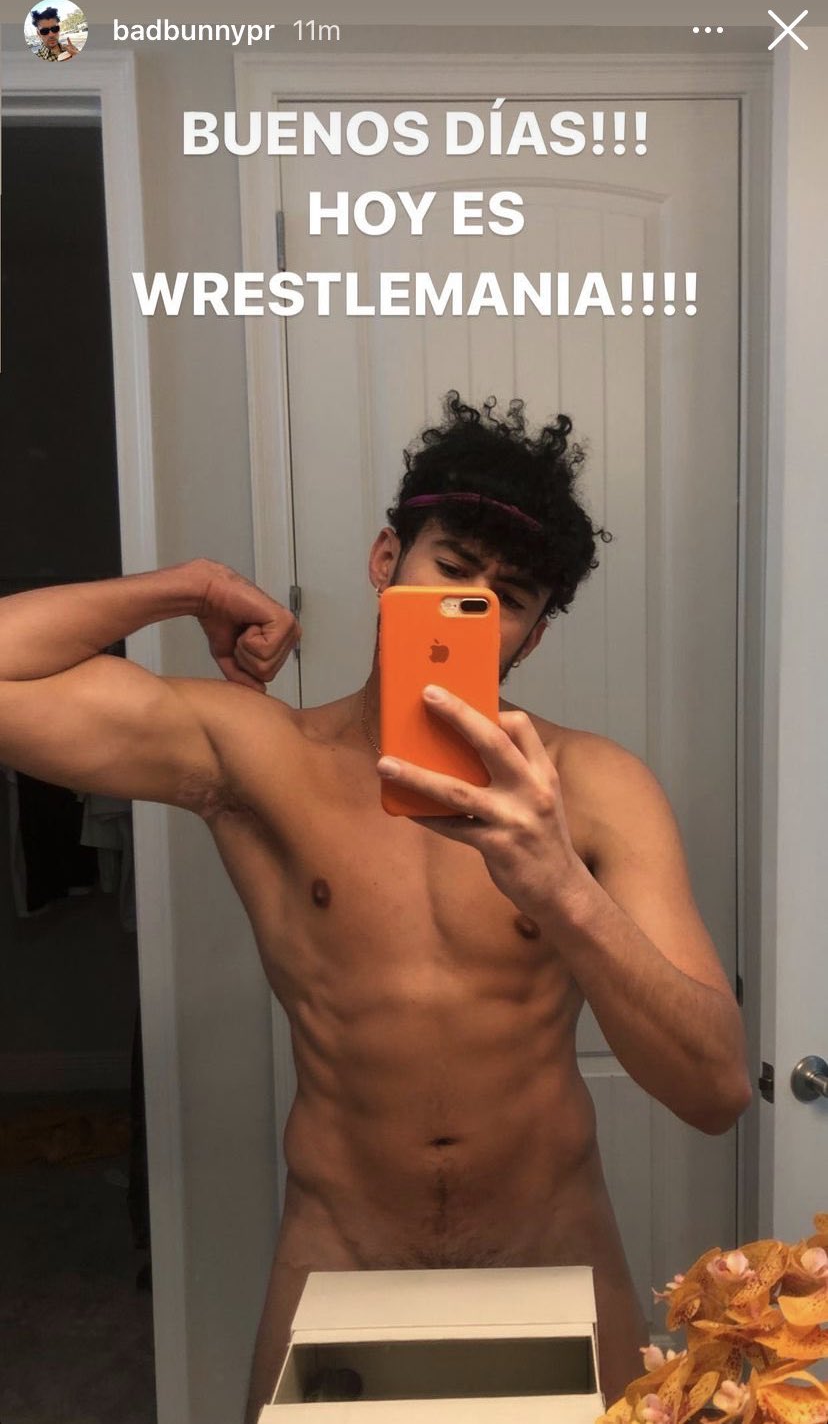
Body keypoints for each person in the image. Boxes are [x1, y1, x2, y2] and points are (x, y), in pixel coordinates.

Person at [0, 394, 751, 1420]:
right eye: (451, 568)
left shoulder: (596, 787)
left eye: (508, 598)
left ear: (532, 637)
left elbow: (716, 1090)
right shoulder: (264, 756)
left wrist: (557, 886)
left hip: (555, 1256)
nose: (469, 608)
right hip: (339, 1259)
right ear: (386, 558)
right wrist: (188, 587)